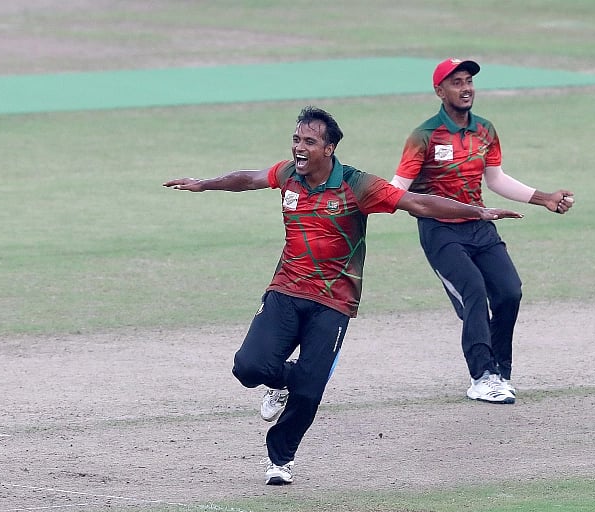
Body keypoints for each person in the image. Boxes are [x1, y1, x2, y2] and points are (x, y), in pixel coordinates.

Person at [164, 106, 521, 485]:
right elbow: (248, 178)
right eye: (297, 139)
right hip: (285, 290)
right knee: (249, 367)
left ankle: (281, 459)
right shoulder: (288, 173)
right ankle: (285, 381)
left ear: (329, 148)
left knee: (311, 391)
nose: (299, 148)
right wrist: (205, 183)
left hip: (334, 302)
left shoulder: (357, 185)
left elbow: (416, 202)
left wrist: (477, 212)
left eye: (309, 142)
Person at [390, 57, 575, 404]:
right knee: (473, 290)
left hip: (479, 224)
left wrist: (545, 198)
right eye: (457, 82)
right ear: (439, 91)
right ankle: (482, 376)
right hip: (440, 232)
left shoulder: (485, 130)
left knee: (509, 292)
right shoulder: (424, 135)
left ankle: (500, 371)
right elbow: (397, 188)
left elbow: (496, 180)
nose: (466, 88)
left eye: (469, 81)